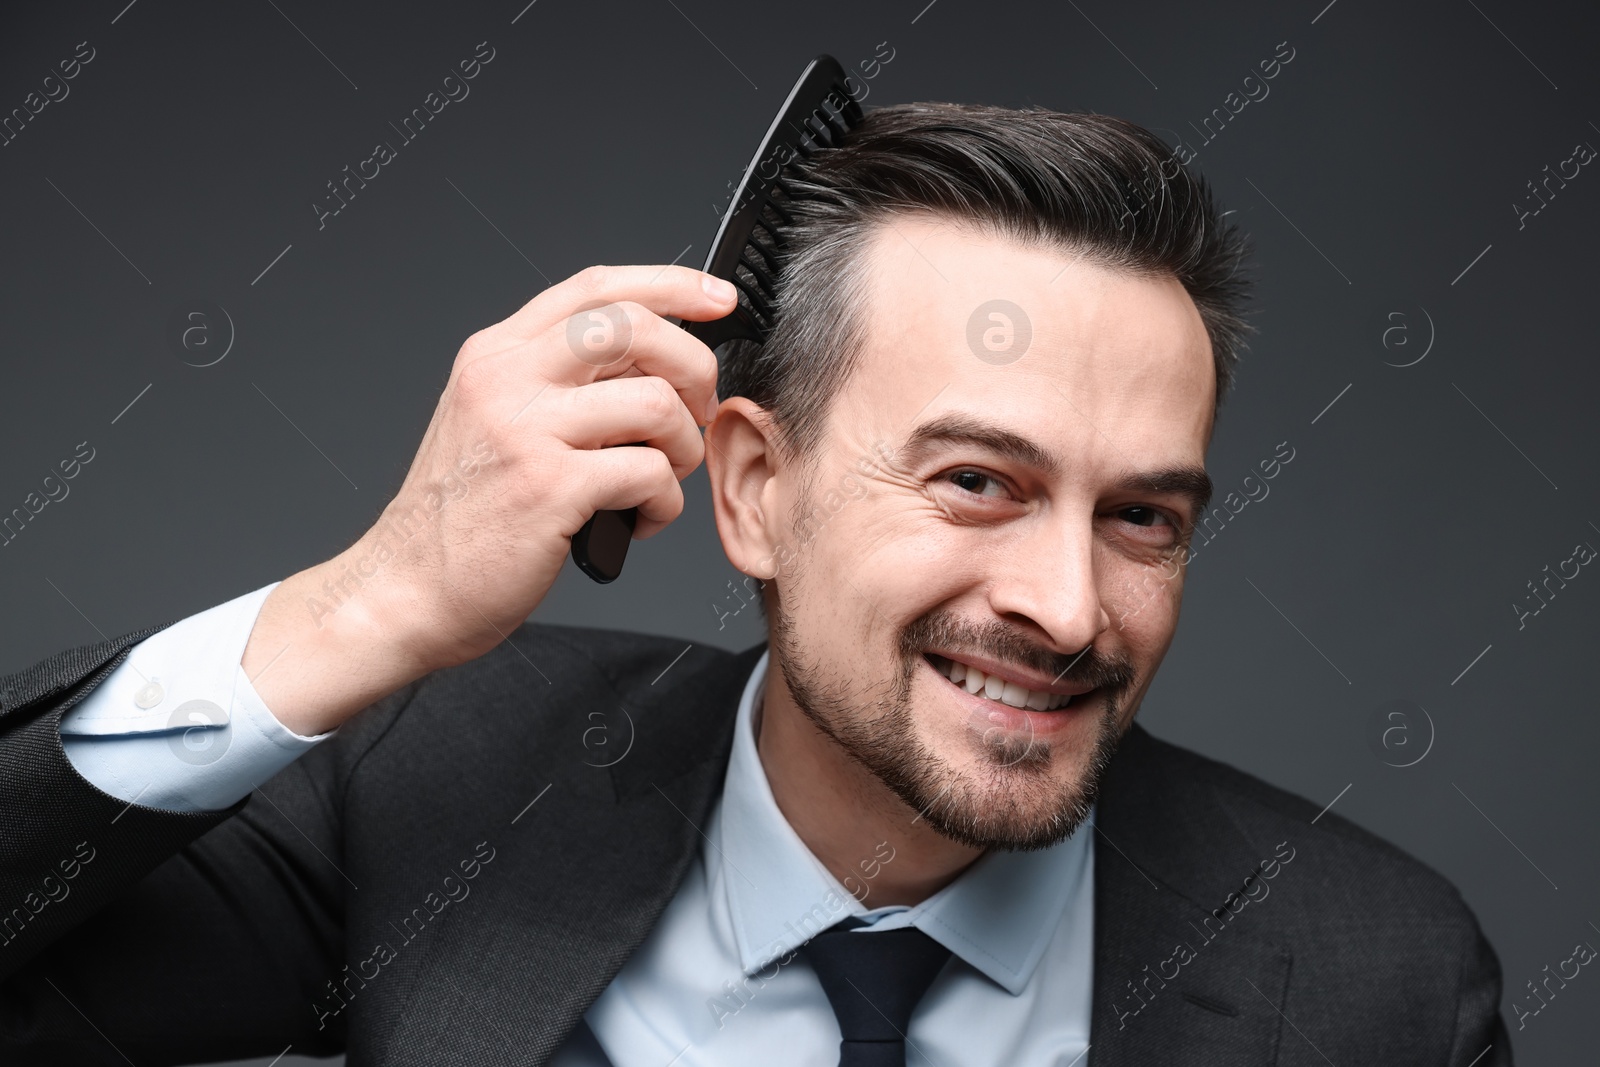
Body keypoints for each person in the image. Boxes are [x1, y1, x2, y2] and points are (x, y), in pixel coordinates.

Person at [0, 102, 1510, 1066]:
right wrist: (366, 607)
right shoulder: (438, 792)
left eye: (1143, 518)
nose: (1066, 606)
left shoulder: (1384, 985)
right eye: (977, 481)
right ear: (752, 488)